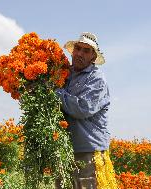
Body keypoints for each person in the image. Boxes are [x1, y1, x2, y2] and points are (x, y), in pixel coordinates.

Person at [55, 32, 118, 189]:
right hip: (65, 149)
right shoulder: (65, 75)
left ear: (93, 57)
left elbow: (82, 108)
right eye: (78, 48)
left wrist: (54, 92)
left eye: (86, 51)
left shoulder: (96, 79)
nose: (80, 53)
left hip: (88, 151)